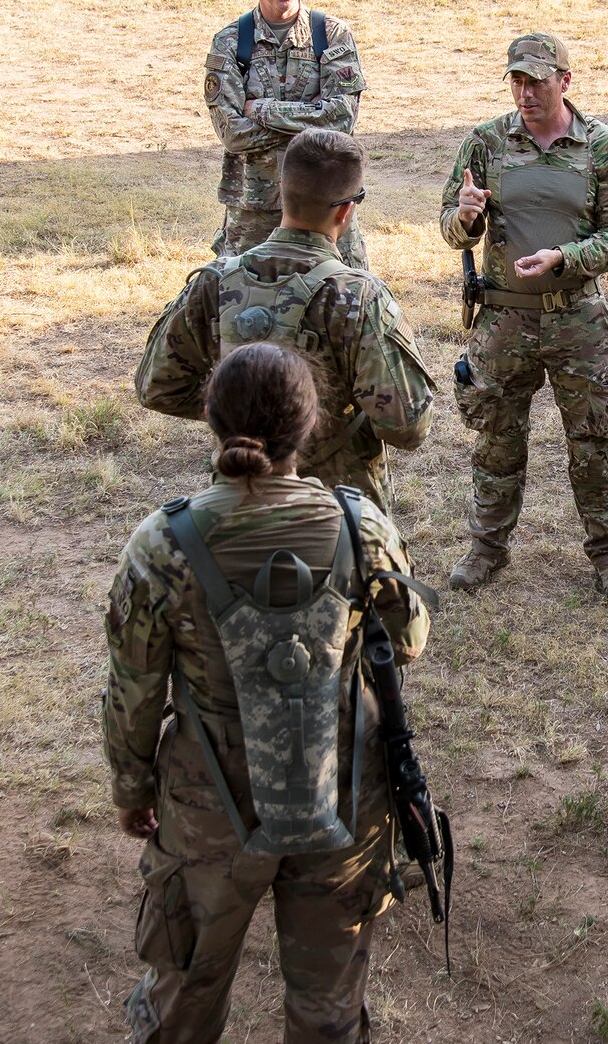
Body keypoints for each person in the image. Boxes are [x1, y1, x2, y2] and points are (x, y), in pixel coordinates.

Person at [104, 341, 432, 1044]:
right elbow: (409, 641)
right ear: (308, 426)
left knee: (185, 987)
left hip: (207, 801)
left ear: (212, 421)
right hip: (340, 789)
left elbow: (133, 686)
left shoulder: (162, 543)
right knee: (328, 1001)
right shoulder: (359, 523)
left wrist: (132, 787)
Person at [440, 32, 608, 603]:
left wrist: (568, 259)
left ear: (566, 81)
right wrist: (465, 219)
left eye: (536, 81)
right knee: (496, 441)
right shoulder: (485, 143)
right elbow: (452, 227)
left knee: (594, 441)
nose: (525, 93)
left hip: (577, 318)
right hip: (504, 320)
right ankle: (486, 548)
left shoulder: (603, 149)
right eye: (516, 80)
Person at [135, 128, 435, 513]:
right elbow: (408, 426)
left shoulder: (213, 282)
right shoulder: (360, 297)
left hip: (235, 503)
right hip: (341, 512)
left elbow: (157, 387)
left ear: (281, 190)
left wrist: (243, 411)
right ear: (347, 209)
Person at [203, 0, 371, 268]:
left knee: (344, 299)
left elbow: (341, 121)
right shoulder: (232, 43)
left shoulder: (332, 35)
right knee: (241, 302)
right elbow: (233, 134)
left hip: (326, 202)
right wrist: (311, 121)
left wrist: (261, 109)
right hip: (255, 205)